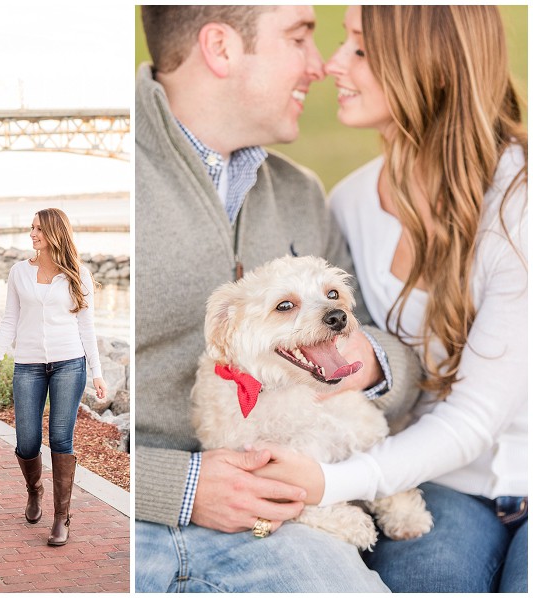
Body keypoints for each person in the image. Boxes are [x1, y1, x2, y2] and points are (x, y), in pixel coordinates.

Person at [134, 5, 422, 592]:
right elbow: (49, 406)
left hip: (284, 519)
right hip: (122, 514)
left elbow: (390, 353)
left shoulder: (301, 193)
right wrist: (177, 486)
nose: (320, 66)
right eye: (299, 38)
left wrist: (370, 364)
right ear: (220, 48)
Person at [263, 5, 527, 593]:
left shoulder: (520, 204)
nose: (331, 64)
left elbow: (476, 418)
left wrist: (331, 484)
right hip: (437, 482)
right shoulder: (350, 203)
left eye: (359, 48)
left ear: (430, 66)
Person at [0, 208, 108, 546]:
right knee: (26, 441)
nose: (32, 234)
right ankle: (34, 490)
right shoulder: (19, 272)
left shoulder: (77, 274)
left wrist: (97, 373)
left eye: (38, 229)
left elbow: (87, 326)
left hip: (69, 363)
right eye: (31, 228)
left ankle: (61, 516)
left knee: (61, 439)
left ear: (55, 232)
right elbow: (9, 319)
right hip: (27, 364)